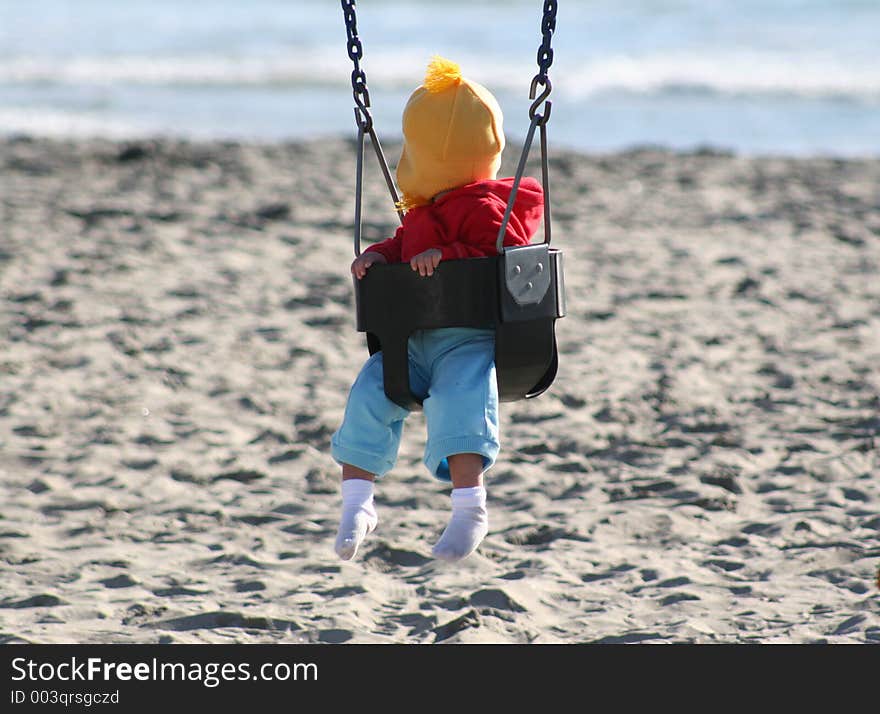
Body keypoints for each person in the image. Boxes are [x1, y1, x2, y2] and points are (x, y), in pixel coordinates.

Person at [331, 56, 544, 562]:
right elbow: (403, 243)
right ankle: (358, 503)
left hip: (468, 341)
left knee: (459, 401)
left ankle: (470, 507)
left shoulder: (490, 204)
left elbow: (503, 249)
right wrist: (377, 257)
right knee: (367, 395)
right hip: (413, 341)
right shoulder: (422, 214)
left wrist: (445, 256)